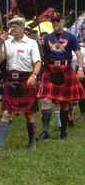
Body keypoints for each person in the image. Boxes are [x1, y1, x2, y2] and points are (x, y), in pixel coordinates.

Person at [0, 17, 41, 154]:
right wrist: (0, 44)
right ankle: (0, 146)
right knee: (6, 113)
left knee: (29, 114)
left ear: (22, 28)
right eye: (11, 27)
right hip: (11, 79)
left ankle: (32, 142)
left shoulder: (31, 43)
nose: (11, 29)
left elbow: (37, 62)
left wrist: (33, 76)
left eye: (15, 27)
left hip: (26, 79)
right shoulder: (7, 43)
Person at [37, 12, 85, 140]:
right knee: (46, 101)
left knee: (64, 103)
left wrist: (80, 69)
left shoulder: (71, 37)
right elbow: (42, 57)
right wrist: (41, 46)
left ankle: (63, 132)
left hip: (66, 70)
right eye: (54, 21)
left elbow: (79, 54)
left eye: (58, 21)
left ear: (63, 22)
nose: (56, 23)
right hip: (50, 70)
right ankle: (45, 131)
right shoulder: (46, 38)